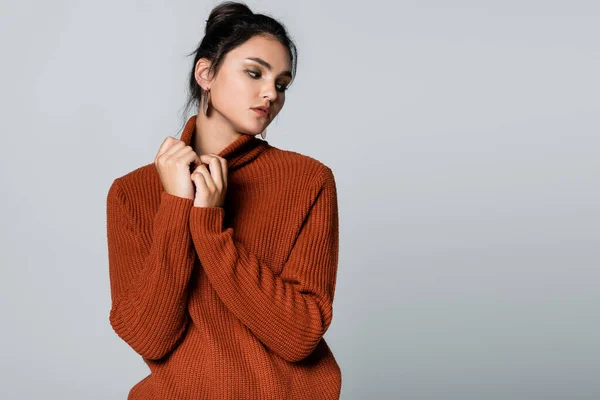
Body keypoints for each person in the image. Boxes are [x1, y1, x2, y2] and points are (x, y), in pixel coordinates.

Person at [106, 2, 341, 399]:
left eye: (282, 84)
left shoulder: (308, 180)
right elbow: (151, 337)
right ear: (206, 74)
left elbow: (299, 336)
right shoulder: (131, 193)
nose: (271, 93)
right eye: (254, 72)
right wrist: (177, 207)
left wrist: (210, 227)